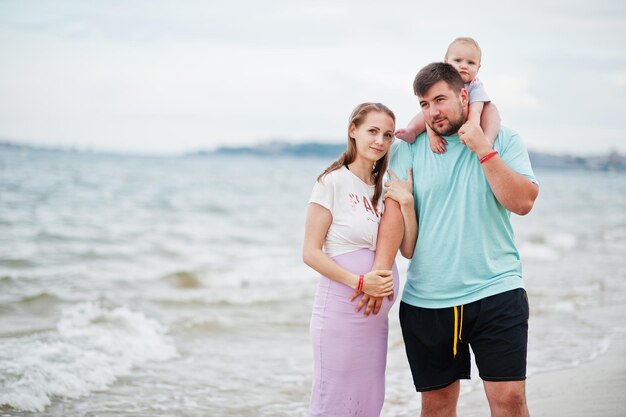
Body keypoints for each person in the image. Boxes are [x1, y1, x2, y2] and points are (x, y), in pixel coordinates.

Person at [362, 63, 539, 417]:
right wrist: (379, 273)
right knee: (438, 406)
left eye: (440, 100)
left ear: (464, 95)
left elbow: (523, 202)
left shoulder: (504, 139)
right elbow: (395, 212)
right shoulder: (409, 148)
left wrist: (483, 150)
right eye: (424, 104)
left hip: (496, 290)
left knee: (509, 400)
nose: (432, 112)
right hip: (428, 300)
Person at [302, 102, 417, 417]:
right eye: (373, 131)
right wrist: (360, 281)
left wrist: (407, 204)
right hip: (342, 311)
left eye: (388, 135)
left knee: (367, 402)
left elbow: (407, 249)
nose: (380, 141)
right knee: (333, 402)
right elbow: (310, 252)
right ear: (353, 131)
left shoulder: (383, 190)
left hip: (374, 321)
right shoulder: (332, 182)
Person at [395, 37, 500, 154]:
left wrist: (472, 127)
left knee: (491, 110)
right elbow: (431, 115)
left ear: (478, 67)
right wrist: (433, 137)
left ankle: (488, 140)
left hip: (471, 113)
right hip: (449, 115)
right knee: (427, 110)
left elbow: (476, 110)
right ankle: (411, 131)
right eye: (458, 60)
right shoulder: (440, 84)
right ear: (446, 62)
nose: (464, 66)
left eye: (471, 63)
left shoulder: (475, 85)